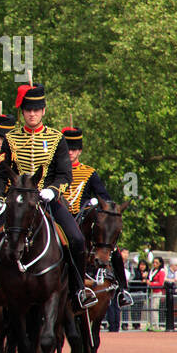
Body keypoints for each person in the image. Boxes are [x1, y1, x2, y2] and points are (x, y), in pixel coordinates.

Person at [0, 83, 96, 308]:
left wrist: (52, 190)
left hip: (48, 199)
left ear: (43, 111)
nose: (32, 113)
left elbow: (64, 173)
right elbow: (2, 172)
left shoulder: (56, 138)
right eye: (28, 110)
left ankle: (79, 290)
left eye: (36, 109)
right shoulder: (11, 139)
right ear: (23, 113)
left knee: (77, 239)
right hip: (19, 202)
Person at [62, 126, 131, 307]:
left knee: (111, 246)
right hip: (60, 217)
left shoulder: (89, 173)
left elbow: (104, 196)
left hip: (83, 217)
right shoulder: (56, 172)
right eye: (67, 148)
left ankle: (122, 290)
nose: (70, 152)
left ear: (80, 151)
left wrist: (98, 203)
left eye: (74, 149)